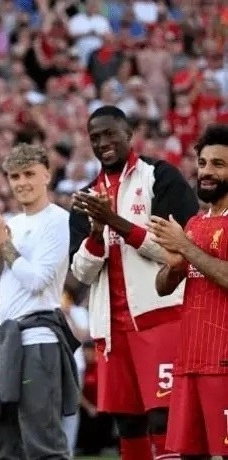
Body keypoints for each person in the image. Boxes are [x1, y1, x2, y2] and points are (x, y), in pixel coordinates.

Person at [70, 105, 199, 460]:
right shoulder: (85, 197)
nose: (103, 143)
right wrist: (96, 233)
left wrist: (115, 222)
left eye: (110, 133)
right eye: (95, 137)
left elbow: (176, 249)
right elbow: (81, 273)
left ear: (129, 134)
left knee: (164, 416)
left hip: (161, 319)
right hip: (111, 330)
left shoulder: (160, 176)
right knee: (128, 424)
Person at [0, 143, 78, 459]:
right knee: (1, 439)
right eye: (15, 176)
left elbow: (36, 281)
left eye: (29, 174)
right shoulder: (13, 222)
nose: (22, 182)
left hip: (38, 338)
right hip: (4, 338)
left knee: (42, 441)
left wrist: (4, 243)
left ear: (47, 175)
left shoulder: (58, 220)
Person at [150, 124, 228, 458]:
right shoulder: (194, 223)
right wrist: (174, 265)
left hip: (223, 363)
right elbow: (162, 287)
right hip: (190, 361)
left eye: (218, 164)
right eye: (203, 163)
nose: (206, 172)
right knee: (189, 454)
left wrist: (186, 248)